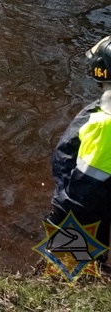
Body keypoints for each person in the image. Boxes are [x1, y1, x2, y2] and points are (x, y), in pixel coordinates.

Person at [47, 36, 111, 255]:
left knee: (71, 268)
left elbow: (86, 188)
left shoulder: (103, 124)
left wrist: (61, 221)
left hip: (86, 210)